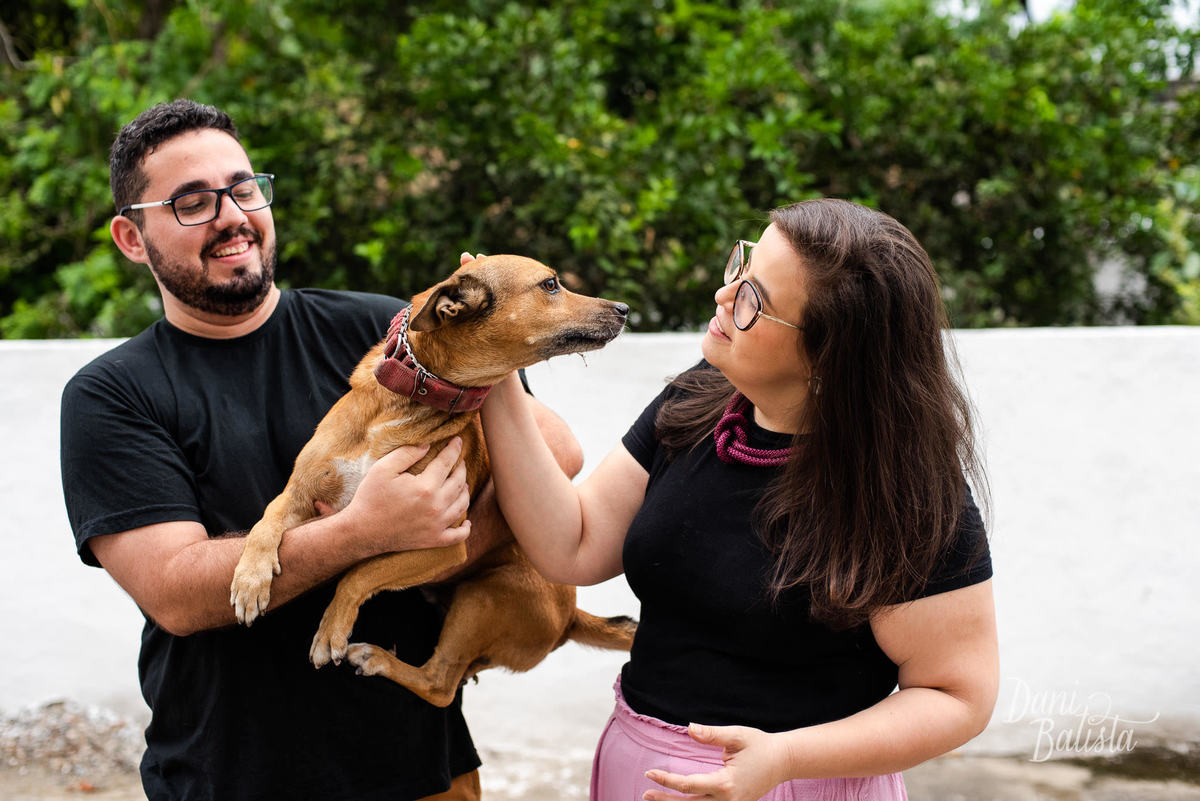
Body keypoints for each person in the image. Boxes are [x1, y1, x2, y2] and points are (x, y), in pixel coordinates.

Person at [59, 99, 582, 801]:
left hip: (424, 770)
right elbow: (175, 591)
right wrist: (364, 534)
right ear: (130, 236)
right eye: (191, 203)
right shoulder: (112, 395)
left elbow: (556, 451)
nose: (232, 216)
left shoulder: (381, 329)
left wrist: (449, 541)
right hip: (231, 775)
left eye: (243, 189)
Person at [479, 198, 998, 801]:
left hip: (797, 785)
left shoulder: (906, 495)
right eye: (742, 268)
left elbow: (957, 694)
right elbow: (575, 543)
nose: (726, 298)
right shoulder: (700, 400)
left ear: (831, 358)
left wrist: (785, 757)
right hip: (640, 769)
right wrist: (487, 362)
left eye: (757, 301)